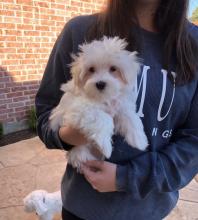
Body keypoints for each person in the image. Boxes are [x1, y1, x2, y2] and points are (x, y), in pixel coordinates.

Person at [35, 0, 198, 219]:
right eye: (91, 70)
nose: (102, 79)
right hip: (82, 208)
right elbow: (46, 119)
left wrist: (127, 177)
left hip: (150, 209)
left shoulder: (193, 43)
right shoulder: (79, 30)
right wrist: (72, 135)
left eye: (113, 70)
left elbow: (194, 143)